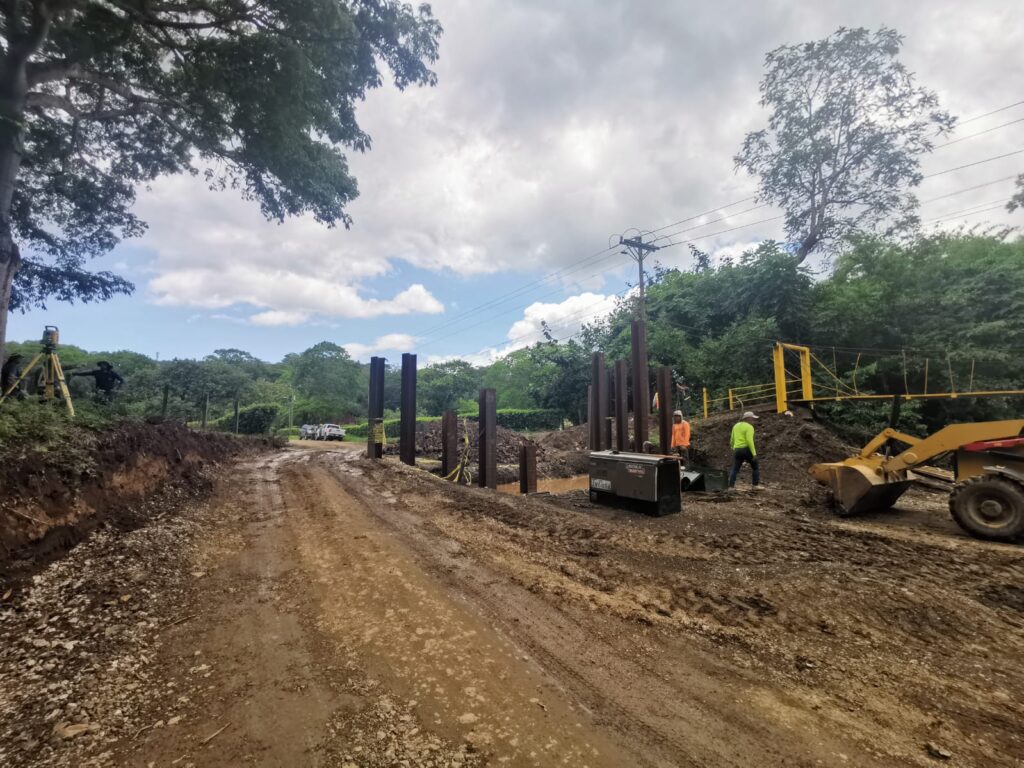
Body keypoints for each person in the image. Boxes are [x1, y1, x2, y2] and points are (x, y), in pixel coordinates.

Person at [728, 411, 760, 489]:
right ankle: (755, 486)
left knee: (735, 468)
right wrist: (754, 454)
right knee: (755, 467)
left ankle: (731, 486)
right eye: (752, 419)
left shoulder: (736, 426)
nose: (753, 420)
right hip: (746, 449)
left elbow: (732, 439)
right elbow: (749, 441)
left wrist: (733, 447)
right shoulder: (749, 427)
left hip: (737, 450)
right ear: (748, 418)